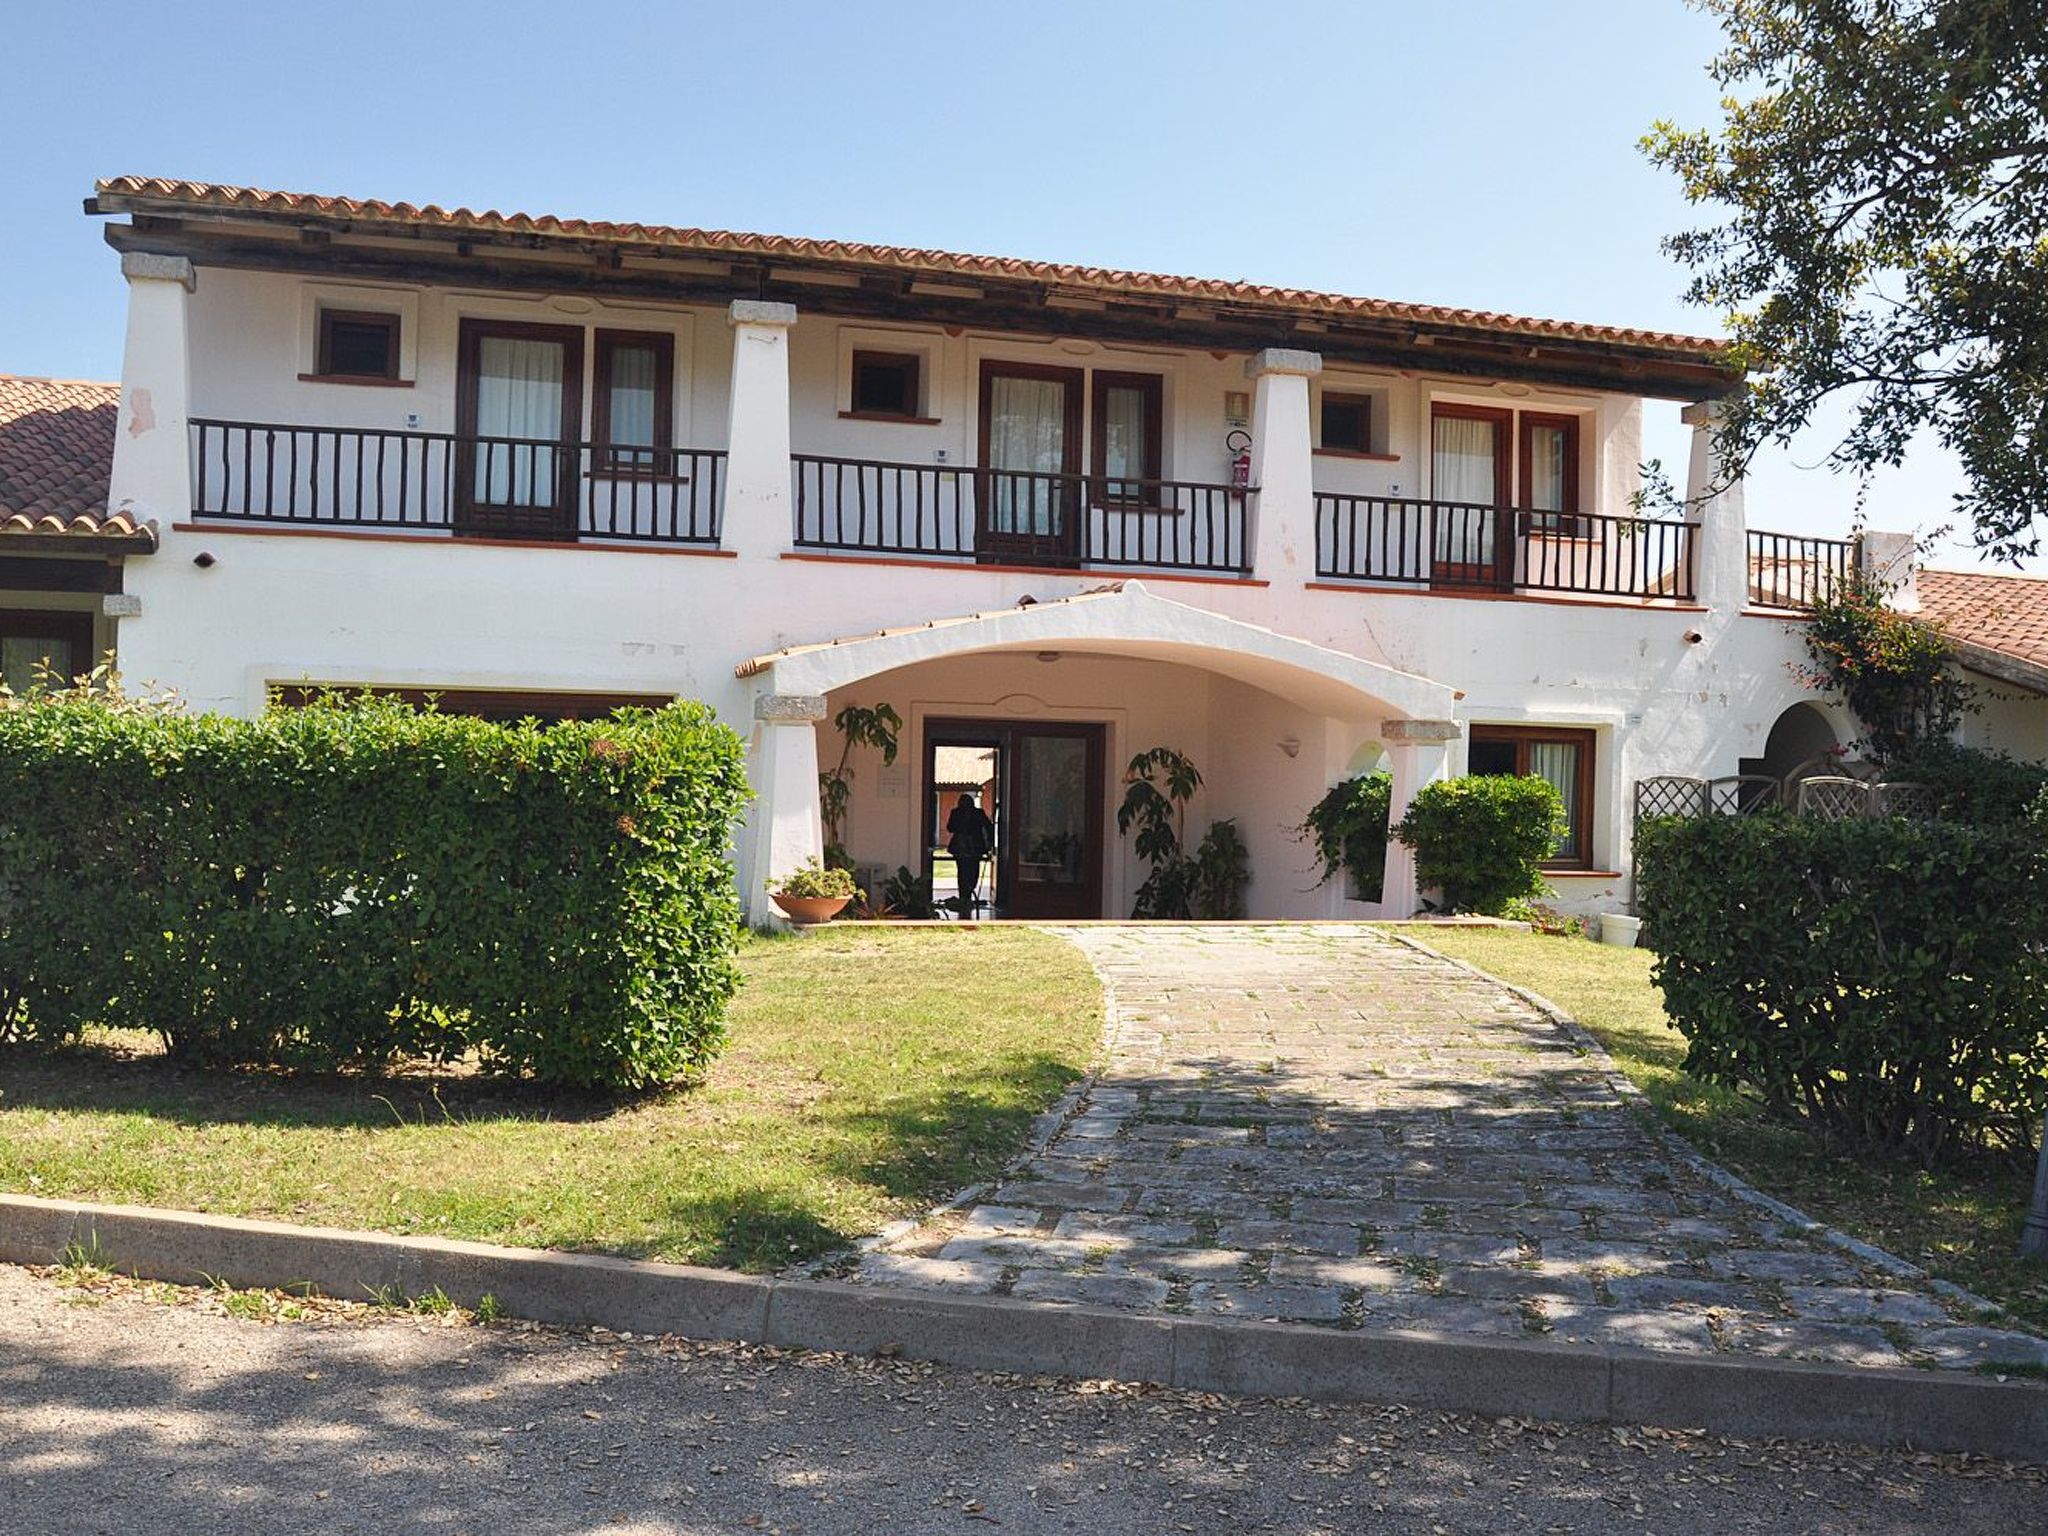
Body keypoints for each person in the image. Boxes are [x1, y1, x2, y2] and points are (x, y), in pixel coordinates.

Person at [945, 792, 996, 913]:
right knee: (971, 872)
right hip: (968, 846)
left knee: (964, 872)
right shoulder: (973, 813)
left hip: (966, 846)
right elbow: (989, 827)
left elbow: (950, 828)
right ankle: (966, 895)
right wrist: (989, 842)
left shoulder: (961, 812)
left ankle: (965, 895)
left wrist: (989, 841)